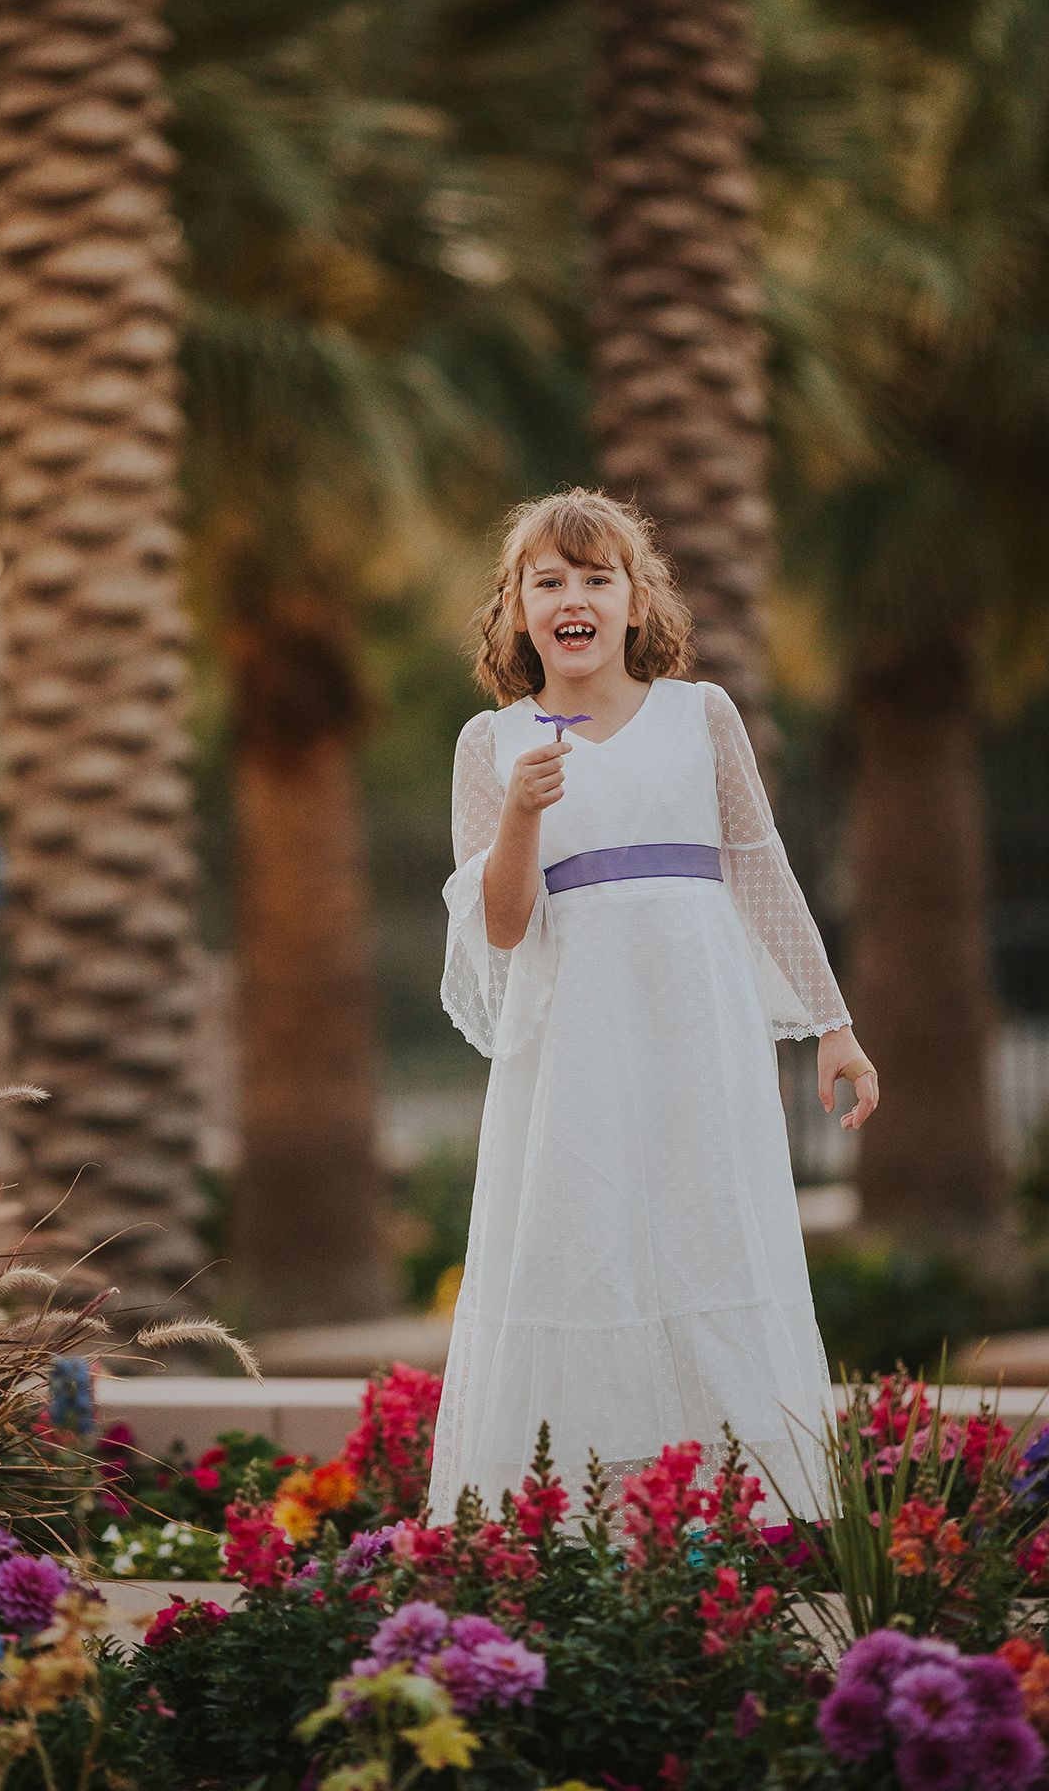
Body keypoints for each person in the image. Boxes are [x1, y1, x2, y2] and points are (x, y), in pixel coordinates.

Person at [427, 486, 878, 1528]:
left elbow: (761, 875)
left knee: (700, 1228)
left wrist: (833, 1024)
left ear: (636, 603)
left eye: (597, 577)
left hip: (692, 1026)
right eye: (549, 581)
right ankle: (583, 1514)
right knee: (580, 1237)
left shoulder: (697, 714)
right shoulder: (488, 747)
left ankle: (737, 1513)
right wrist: (519, 822)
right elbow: (497, 929)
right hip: (571, 1036)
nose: (573, 596)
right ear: (515, 609)